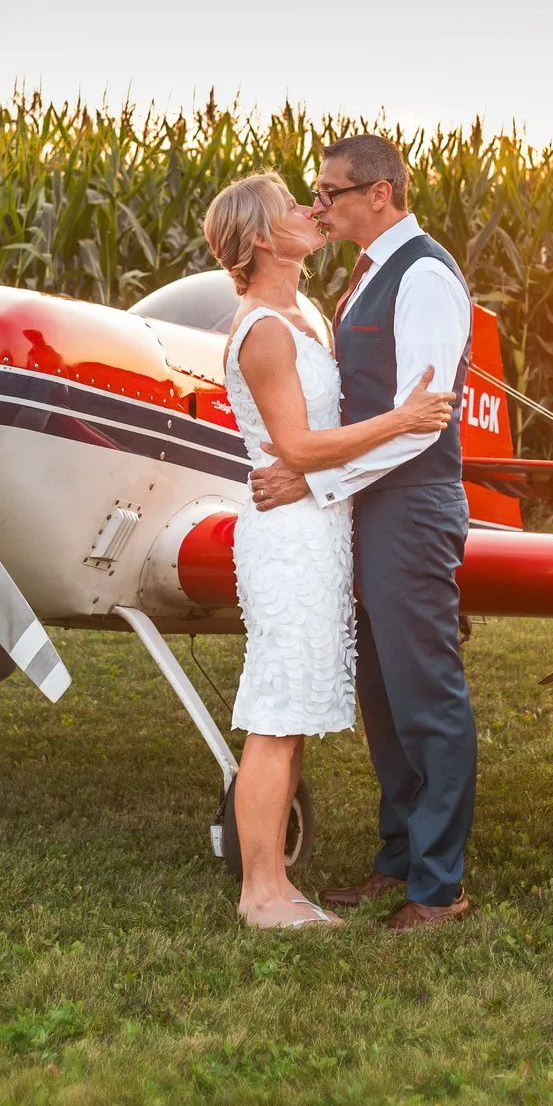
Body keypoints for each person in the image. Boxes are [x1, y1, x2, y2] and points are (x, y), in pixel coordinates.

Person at [201, 171, 456, 930]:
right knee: (276, 712)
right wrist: (404, 419)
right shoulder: (268, 329)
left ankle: (277, 880)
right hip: (289, 541)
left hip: (319, 531)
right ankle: (261, 892)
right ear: (259, 238)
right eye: (292, 207)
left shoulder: (303, 310)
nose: (312, 211)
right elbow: (298, 444)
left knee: (294, 710)